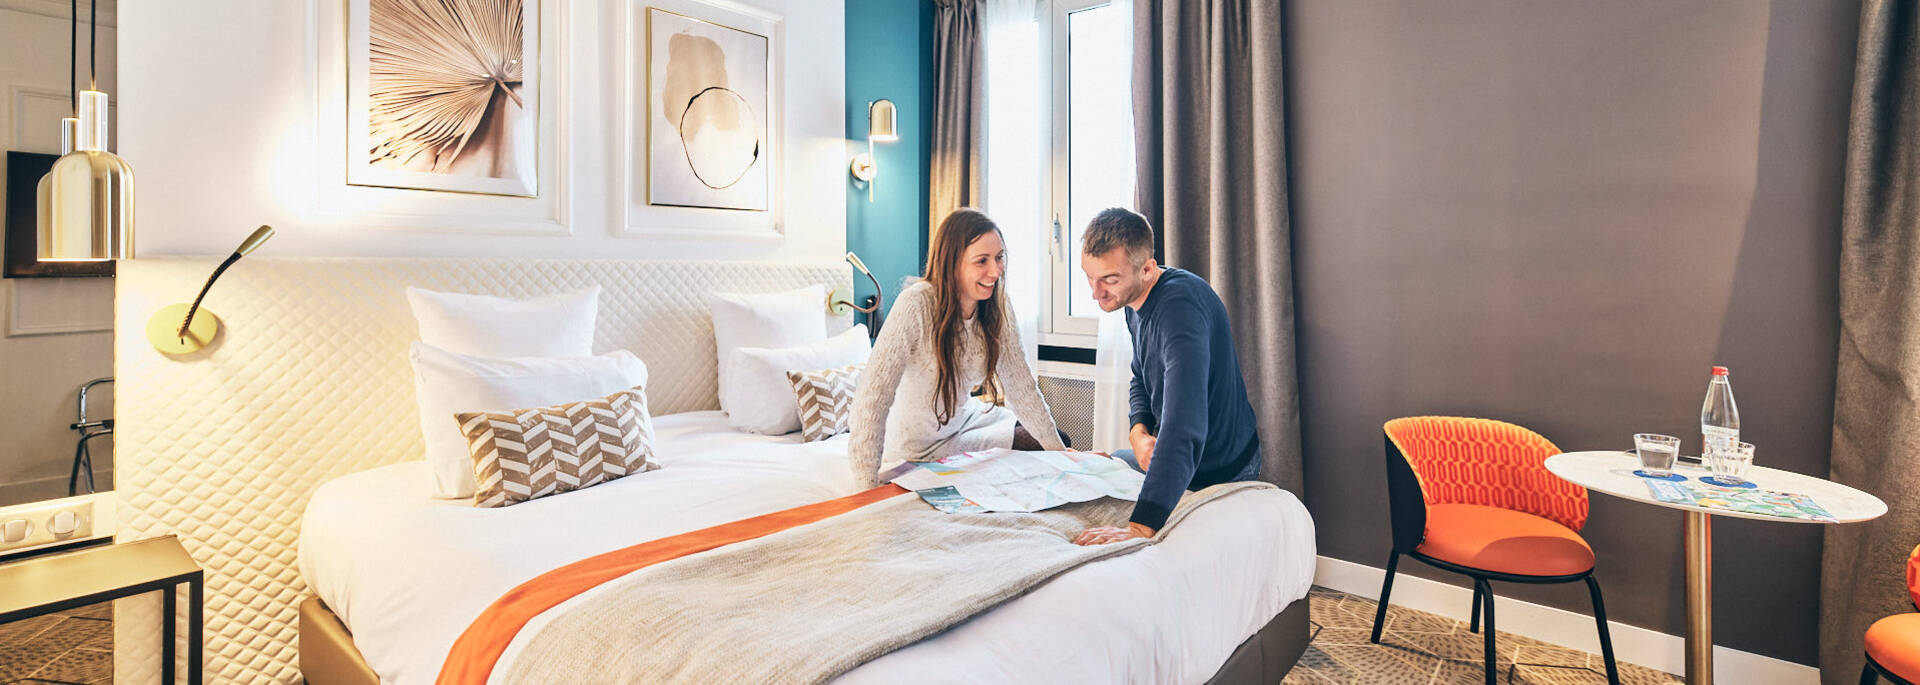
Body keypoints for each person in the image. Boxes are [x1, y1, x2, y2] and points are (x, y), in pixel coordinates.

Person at [1072, 208, 1262, 545]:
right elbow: (1140, 376)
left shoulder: (1180, 311)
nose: (1096, 293)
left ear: (1147, 268)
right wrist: (1138, 434)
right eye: (1090, 277)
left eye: (1109, 280)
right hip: (1177, 455)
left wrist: (1139, 529)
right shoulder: (1134, 301)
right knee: (1103, 465)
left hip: (1219, 469)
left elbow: (1183, 424)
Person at [848, 208, 1066, 487]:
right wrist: (866, 487)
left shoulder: (998, 305)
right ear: (953, 264)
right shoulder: (916, 305)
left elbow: (1022, 388)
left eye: (999, 258)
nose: (995, 271)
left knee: (1055, 442)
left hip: (966, 424)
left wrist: (1064, 459)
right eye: (982, 261)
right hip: (914, 448)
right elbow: (872, 399)